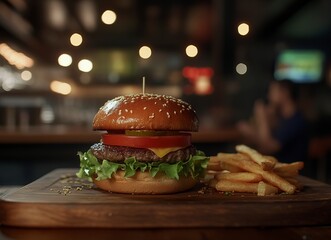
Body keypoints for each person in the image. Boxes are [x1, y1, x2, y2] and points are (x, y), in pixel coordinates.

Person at [237, 79, 309, 163]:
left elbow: (267, 147)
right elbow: (263, 140)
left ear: (285, 92)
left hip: (289, 172)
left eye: (272, 91)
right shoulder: (282, 118)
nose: (269, 96)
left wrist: (262, 118)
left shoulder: (295, 121)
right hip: (275, 168)